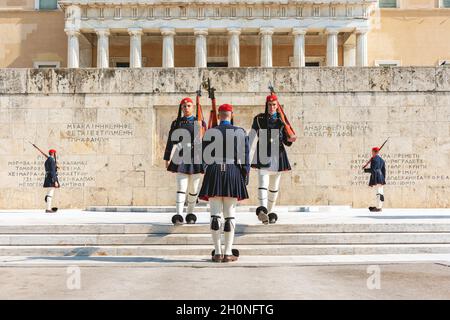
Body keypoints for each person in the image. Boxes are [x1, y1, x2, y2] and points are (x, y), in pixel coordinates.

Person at [199, 104, 250, 263]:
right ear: (231, 114)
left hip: (214, 170)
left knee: (215, 216)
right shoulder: (240, 132)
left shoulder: (210, 132)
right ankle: (228, 253)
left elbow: (203, 157)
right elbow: (245, 156)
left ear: (219, 115)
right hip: (232, 170)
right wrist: (244, 174)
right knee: (230, 216)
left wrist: (208, 170)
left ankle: (217, 253)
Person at [250, 94, 295, 224]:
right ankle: (263, 209)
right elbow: (251, 136)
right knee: (263, 183)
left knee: (274, 186)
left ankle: (270, 212)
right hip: (263, 153)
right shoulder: (259, 119)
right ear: (266, 105)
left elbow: (287, 141)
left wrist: (290, 138)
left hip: (278, 154)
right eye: (269, 104)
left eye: (274, 104)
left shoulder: (282, 120)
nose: (271, 107)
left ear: (277, 106)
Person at [163, 97, 206, 225]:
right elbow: (170, 141)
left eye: (188, 106)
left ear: (193, 107)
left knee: (193, 190)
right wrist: (167, 157)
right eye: (184, 106)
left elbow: (206, 142)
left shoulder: (200, 122)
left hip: (196, 158)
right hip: (181, 156)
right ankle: (178, 215)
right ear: (181, 108)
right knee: (181, 188)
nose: (186, 108)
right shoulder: (176, 123)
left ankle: (190, 214)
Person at [364, 147, 386, 212]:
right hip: (381, 177)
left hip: (377, 176)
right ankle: (380, 206)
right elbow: (384, 170)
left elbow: (373, 170)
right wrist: (383, 178)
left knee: (378, 192)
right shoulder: (382, 160)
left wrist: (365, 170)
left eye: (372, 151)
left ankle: (378, 208)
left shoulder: (374, 159)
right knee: (381, 192)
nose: (371, 153)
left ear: (374, 151)